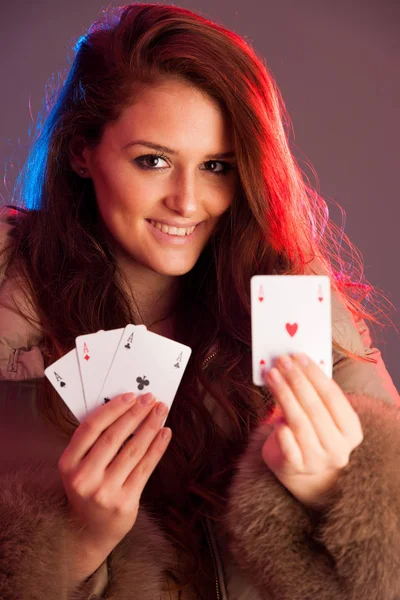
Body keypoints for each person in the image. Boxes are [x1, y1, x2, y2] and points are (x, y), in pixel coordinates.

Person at [0, 4, 399, 599]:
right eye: (153, 161)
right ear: (83, 151)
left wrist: (333, 491)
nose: (188, 202)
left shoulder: (300, 308)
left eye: (216, 166)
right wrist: (77, 543)